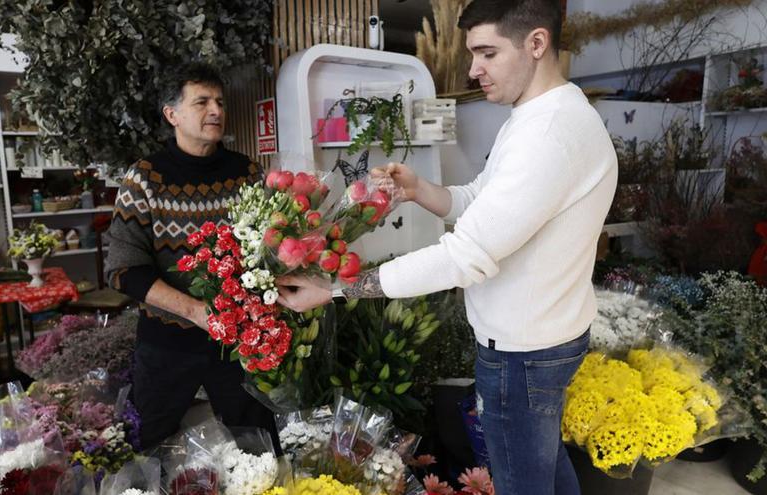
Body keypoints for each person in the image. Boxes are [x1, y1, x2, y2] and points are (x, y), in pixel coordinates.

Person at [276, 1, 618, 493]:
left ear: (536, 44)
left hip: (522, 354)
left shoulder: (548, 133)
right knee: (544, 468)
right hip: (545, 335)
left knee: (525, 481)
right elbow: (482, 201)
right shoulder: (538, 116)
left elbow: (465, 256)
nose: (474, 69)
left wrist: (335, 287)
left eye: (486, 53)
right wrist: (419, 190)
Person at [105, 63, 275, 450]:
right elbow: (123, 270)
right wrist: (197, 311)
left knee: (259, 445)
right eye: (201, 102)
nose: (216, 110)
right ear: (172, 114)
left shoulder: (247, 174)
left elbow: (270, 252)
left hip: (238, 344)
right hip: (167, 343)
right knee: (147, 445)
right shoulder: (144, 179)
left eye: (219, 101)